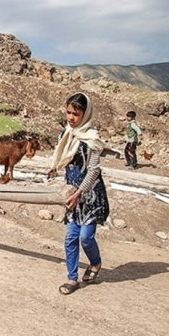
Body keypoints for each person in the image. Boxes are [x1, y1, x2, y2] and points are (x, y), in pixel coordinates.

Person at [47, 92, 110, 295]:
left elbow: (94, 170)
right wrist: (55, 167)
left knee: (85, 237)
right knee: (70, 237)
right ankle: (72, 278)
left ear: (86, 113)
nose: (71, 117)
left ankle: (95, 262)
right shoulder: (65, 134)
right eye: (68, 112)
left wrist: (79, 193)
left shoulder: (92, 139)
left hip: (90, 196)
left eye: (76, 113)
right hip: (72, 194)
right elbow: (64, 157)